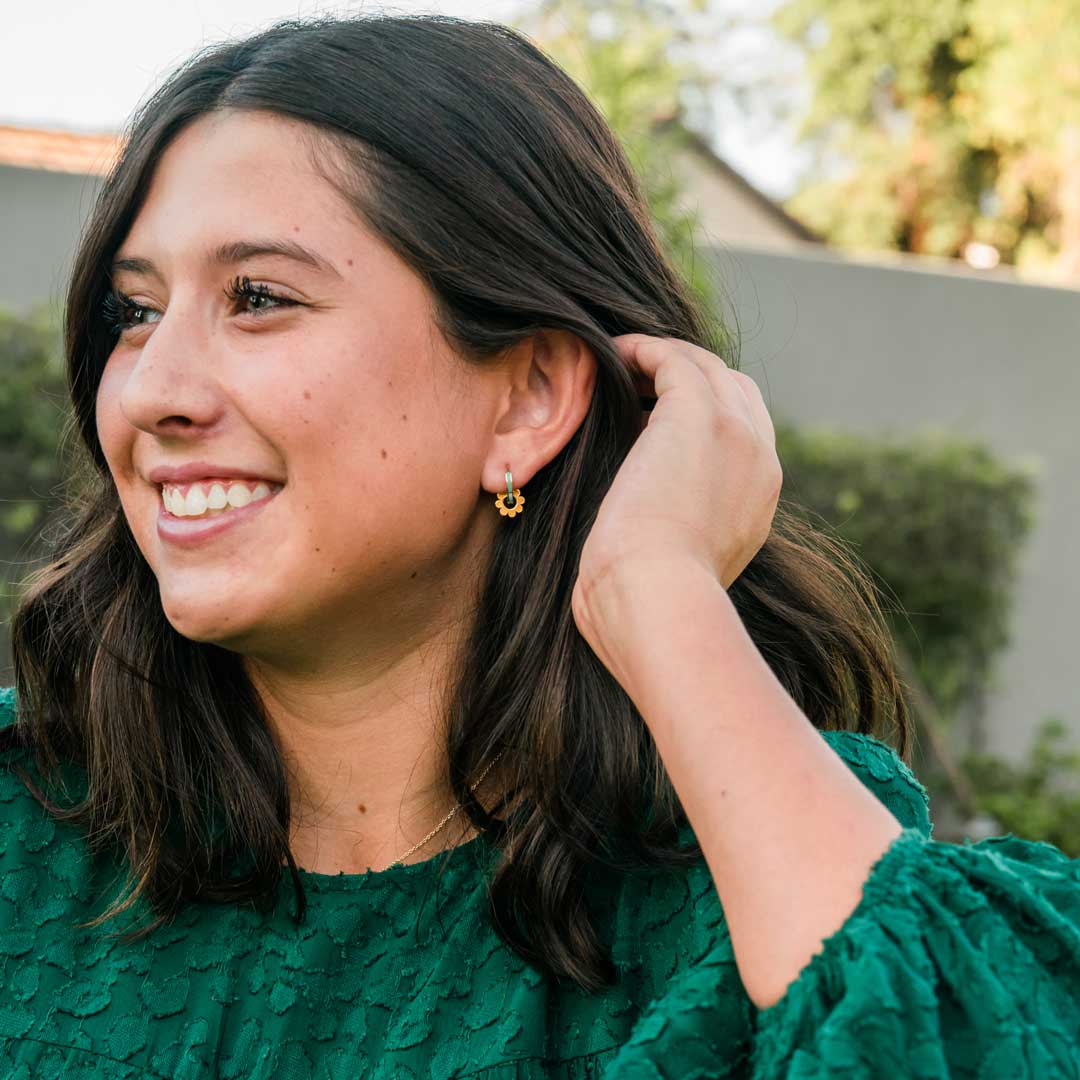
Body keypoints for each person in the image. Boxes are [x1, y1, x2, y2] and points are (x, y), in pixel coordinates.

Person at [1, 12, 1077, 1079]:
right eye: (134, 312)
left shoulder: (758, 869)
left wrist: (659, 587)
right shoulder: (25, 829)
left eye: (260, 298)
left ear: (527, 399)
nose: (150, 390)